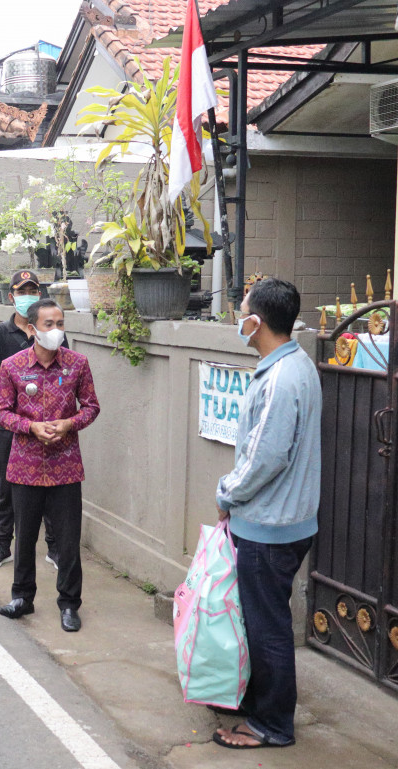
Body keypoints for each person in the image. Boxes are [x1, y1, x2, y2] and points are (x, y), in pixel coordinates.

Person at [211, 278, 320, 750]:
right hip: (281, 522)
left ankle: (273, 725)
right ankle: (256, 705)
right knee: (261, 620)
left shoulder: (281, 378)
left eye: (243, 312)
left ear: (256, 322)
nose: (240, 319)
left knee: (268, 627)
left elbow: (265, 458)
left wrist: (226, 493)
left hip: (270, 527)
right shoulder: (295, 365)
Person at [0, 299, 100, 632]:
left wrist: (69, 424)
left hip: (65, 467)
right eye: (49, 324)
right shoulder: (12, 366)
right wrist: (31, 427)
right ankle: (22, 598)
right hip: (24, 467)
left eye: (60, 324)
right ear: (32, 329)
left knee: (68, 541)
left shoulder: (77, 364)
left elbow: (92, 407)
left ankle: (69, 604)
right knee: (24, 538)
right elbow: (1, 412)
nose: (56, 331)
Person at [0, 270, 63, 570]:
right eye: (23, 291)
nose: (29, 295)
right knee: (8, 489)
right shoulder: (0, 335)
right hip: (12, 428)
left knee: (51, 490)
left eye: (34, 290)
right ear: (12, 296)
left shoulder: (53, 333)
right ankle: (3, 545)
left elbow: (62, 379)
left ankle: (53, 547)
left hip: (50, 428)